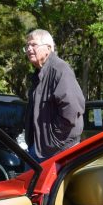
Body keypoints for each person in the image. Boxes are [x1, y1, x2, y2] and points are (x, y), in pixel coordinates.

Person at [23, 29, 85, 162]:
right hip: (39, 148)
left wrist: (54, 139)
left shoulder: (60, 70)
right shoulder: (38, 74)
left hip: (59, 150)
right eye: (27, 46)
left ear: (48, 48)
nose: (29, 49)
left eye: (33, 45)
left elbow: (72, 109)